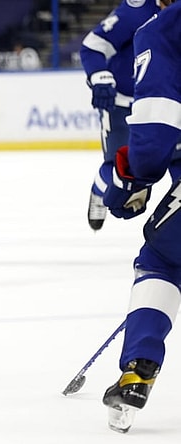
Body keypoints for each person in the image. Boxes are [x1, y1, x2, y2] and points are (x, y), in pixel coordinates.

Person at [100, 0, 180, 433]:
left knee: (162, 260)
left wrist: (130, 180)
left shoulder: (163, 28)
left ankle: (138, 371)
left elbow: (156, 133)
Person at [79, 0, 160, 231]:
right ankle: (100, 190)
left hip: (164, 103)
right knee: (119, 165)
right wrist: (99, 76)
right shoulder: (137, 9)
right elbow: (92, 46)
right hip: (123, 103)